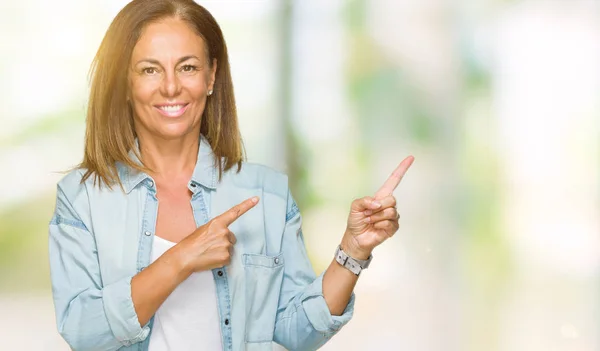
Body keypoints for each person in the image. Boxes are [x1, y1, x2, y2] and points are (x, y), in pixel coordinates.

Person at [48, 0, 414, 350]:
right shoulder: (83, 198)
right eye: (150, 69)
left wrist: (353, 251)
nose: (171, 86)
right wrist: (182, 257)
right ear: (125, 84)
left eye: (187, 67)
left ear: (211, 76)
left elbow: (297, 331)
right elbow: (83, 331)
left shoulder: (265, 193)